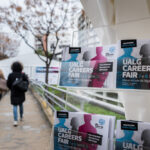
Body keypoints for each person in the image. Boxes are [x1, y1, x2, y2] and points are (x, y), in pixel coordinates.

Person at [7, 61, 29, 127]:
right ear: (21, 67)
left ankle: (15, 121)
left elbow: (8, 84)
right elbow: (27, 82)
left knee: (14, 106)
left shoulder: (10, 75)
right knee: (21, 104)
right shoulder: (23, 74)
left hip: (14, 92)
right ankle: (21, 117)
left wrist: (12, 88)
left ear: (12, 67)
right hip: (21, 92)